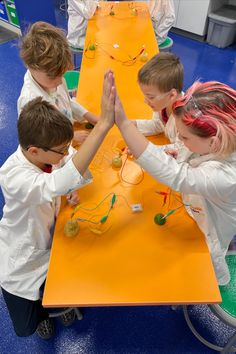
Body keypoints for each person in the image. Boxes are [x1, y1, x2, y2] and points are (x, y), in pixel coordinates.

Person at [0, 71, 115, 339]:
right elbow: (52, 185)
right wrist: (102, 126)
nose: (66, 154)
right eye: (61, 150)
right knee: (28, 320)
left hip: (51, 238)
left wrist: (68, 191)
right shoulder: (13, 176)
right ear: (33, 151)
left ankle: (57, 303)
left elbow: (65, 170)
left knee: (58, 283)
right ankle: (42, 315)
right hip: (22, 259)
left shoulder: (46, 154)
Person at [113, 77, 236, 286]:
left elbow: (179, 177)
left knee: (208, 267)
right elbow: (185, 150)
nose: (182, 141)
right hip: (196, 210)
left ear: (215, 142)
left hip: (209, 231)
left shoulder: (226, 176)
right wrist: (166, 151)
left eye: (185, 137)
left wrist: (125, 125)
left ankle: (217, 285)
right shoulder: (213, 143)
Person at [18, 21, 98, 146]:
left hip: (67, 129)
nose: (61, 81)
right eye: (54, 77)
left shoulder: (53, 78)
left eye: (62, 74)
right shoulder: (30, 102)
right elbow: (42, 141)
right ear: (30, 66)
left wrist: (87, 115)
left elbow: (65, 101)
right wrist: (70, 137)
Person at [134, 52, 184, 144]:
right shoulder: (164, 104)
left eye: (151, 97)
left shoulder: (185, 120)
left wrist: (142, 149)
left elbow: (179, 153)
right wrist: (128, 124)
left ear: (172, 95)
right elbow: (158, 125)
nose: (145, 101)